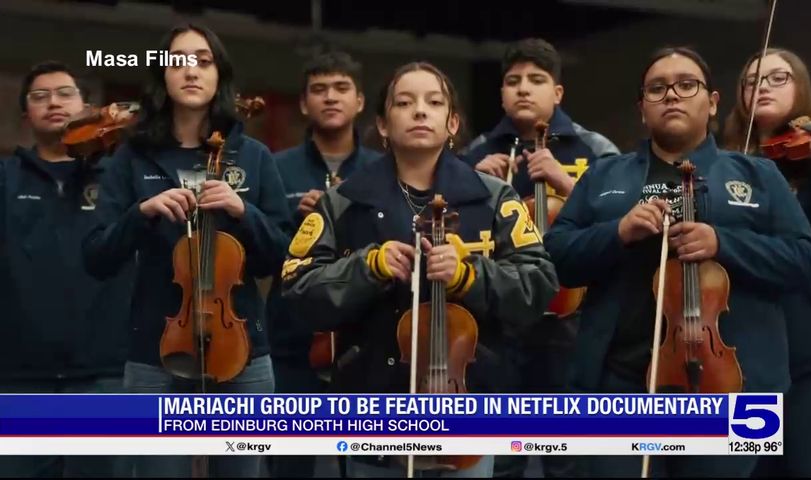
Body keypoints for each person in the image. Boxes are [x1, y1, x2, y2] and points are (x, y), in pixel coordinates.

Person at [543, 46, 811, 477]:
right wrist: (617, 233)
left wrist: (723, 243)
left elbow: (806, 263)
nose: (671, 95)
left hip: (734, 387)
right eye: (658, 89)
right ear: (642, 109)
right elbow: (555, 260)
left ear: (711, 103)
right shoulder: (603, 176)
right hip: (616, 386)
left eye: (686, 85)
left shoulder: (758, 175)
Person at [280, 61, 558, 478]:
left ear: (453, 123)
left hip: (470, 407)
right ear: (383, 125)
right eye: (404, 103)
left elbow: (539, 284)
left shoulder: (495, 197)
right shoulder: (343, 202)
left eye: (434, 102)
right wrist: (368, 267)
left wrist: (469, 276)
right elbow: (298, 289)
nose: (420, 111)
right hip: (372, 410)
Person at [81, 24, 292, 478]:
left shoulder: (253, 156)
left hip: (243, 351)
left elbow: (284, 257)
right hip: (156, 352)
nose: (191, 70)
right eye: (179, 60)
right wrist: (141, 213)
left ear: (221, 75)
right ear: (162, 76)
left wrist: (243, 212)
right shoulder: (132, 157)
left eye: (203, 59)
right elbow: (96, 257)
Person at [462, 36, 618, 479]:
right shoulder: (475, 154)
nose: (523, 89)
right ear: (501, 93)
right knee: (502, 455)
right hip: (500, 321)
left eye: (537, 80)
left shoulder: (596, 150)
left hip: (576, 321)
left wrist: (568, 185)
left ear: (559, 93)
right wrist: (470, 185)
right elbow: (444, 227)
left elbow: (625, 221)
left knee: (568, 456)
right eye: (513, 81)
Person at [722, 47, 811, 478]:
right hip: (742, 358)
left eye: (779, 78)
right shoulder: (724, 165)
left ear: (801, 87)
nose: (762, 86)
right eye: (751, 80)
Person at [0, 61, 133, 478]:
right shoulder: (5, 179)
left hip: (105, 377)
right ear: (25, 115)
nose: (53, 102)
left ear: (87, 107)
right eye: (39, 96)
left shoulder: (119, 178)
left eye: (64, 93)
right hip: (21, 380)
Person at [267, 50, 381, 479]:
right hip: (292, 343)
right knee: (288, 467)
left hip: (366, 341)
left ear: (360, 102)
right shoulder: (276, 169)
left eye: (341, 88)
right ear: (303, 104)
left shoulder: (383, 171)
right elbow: (260, 252)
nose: (330, 98)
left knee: (364, 465)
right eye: (319, 90)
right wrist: (304, 227)